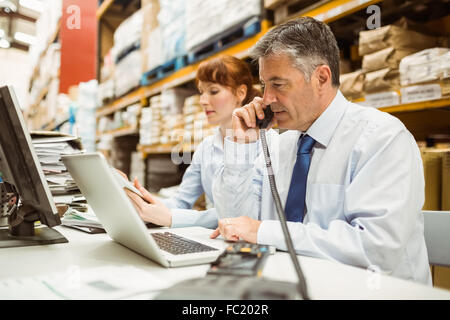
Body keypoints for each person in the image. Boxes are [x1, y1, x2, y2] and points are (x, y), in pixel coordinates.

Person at [210, 17, 431, 284]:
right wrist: (240, 149)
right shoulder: (279, 142)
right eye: (264, 85)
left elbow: (375, 248)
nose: (266, 99)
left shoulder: (382, 138)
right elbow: (236, 222)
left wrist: (265, 232)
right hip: (294, 283)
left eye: (278, 84)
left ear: (321, 78)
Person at [124, 55, 264, 229]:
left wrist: (172, 218)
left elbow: (245, 214)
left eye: (213, 91)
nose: (203, 101)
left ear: (240, 93)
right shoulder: (206, 147)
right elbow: (182, 201)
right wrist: (141, 200)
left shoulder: (264, 145)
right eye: (201, 92)